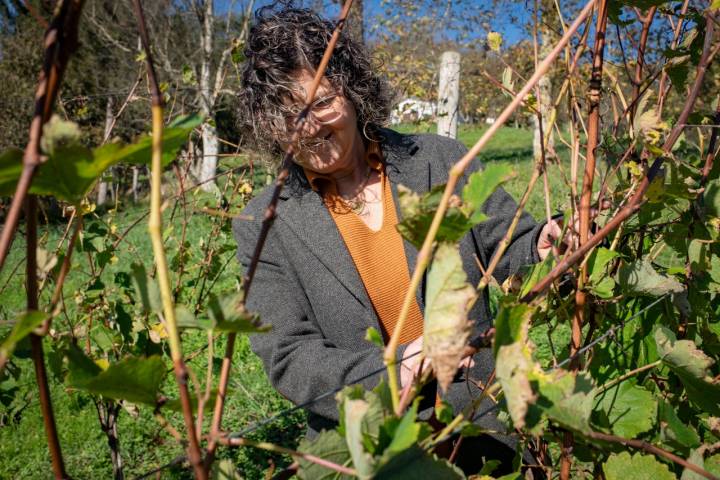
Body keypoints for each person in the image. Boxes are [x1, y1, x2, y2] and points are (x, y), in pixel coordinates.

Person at [233, 5, 564, 474]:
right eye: (288, 115)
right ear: (268, 124)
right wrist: (392, 368)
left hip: (480, 422)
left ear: (352, 92)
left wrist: (545, 247)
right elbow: (288, 355)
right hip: (364, 448)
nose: (309, 127)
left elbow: (512, 244)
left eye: (322, 103)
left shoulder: (437, 162)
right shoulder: (262, 221)